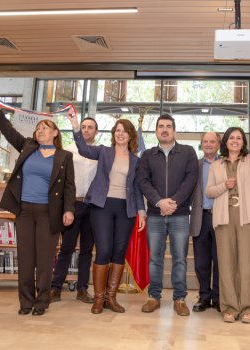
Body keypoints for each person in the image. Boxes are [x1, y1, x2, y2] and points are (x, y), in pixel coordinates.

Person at [0, 97, 76, 316]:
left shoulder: (64, 156)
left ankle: (42, 301)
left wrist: (69, 209)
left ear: (55, 133)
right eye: (38, 128)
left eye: (45, 127)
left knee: (44, 259)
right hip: (24, 210)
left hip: (48, 212)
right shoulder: (27, 146)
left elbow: (70, 187)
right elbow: (8, 131)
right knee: (25, 258)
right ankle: (25, 302)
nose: (40, 131)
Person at [67, 112, 146, 314]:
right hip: (102, 207)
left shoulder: (136, 161)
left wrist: (141, 212)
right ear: (114, 134)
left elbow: (137, 188)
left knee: (118, 253)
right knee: (103, 251)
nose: (120, 134)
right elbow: (83, 148)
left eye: (124, 131)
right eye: (117, 130)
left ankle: (111, 298)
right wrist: (75, 124)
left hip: (125, 210)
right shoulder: (103, 152)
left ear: (130, 135)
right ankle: (98, 298)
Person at [206, 108, 250, 323]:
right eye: (232, 138)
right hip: (223, 218)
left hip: (246, 218)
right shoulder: (216, 165)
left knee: (247, 265)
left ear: (243, 142)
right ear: (225, 141)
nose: (235, 141)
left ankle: (249, 309)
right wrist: (223, 186)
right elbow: (208, 191)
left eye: (239, 138)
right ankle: (228, 308)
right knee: (226, 266)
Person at [136, 114, 199, 316]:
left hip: (179, 215)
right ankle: (154, 297)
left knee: (180, 258)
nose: (164, 129)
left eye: (168, 126)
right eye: (161, 126)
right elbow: (143, 181)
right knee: (155, 259)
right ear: (156, 131)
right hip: (155, 215)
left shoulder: (187, 152)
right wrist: (159, 202)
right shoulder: (147, 155)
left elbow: (191, 180)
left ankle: (180, 299)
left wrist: (173, 202)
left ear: (174, 130)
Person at [50, 117, 98, 304]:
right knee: (67, 248)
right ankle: (55, 288)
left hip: (93, 207)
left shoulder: (100, 153)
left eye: (90, 128)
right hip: (72, 205)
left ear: (96, 132)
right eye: (83, 127)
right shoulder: (68, 151)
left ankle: (83, 289)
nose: (86, 130)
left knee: (87, 250)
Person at [190, 132, 221, 313]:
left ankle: (217, 297)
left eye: (212, 141)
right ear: (201, 144)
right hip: (200, 217)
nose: (208, 144)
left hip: (220, 217)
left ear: (218, 144)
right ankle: (204, 296)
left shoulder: (225, 164)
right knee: (201, 261)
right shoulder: (195, 166)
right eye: (205, 141)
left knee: (219, 260)